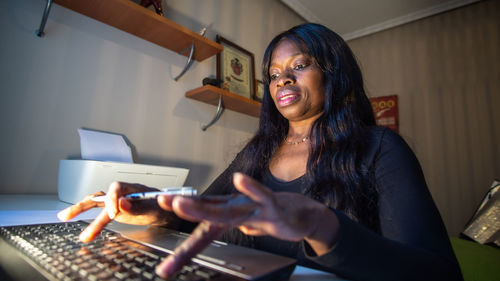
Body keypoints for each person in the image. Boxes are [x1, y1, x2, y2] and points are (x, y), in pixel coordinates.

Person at [58, 23, 464, 281]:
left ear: (333, 75)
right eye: (272, 73)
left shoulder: (379, 148)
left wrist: (322, 226)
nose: (282, 78)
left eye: (300, 65)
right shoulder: (257, 152)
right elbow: (205, 214)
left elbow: (438, 273)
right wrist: (150, 206)